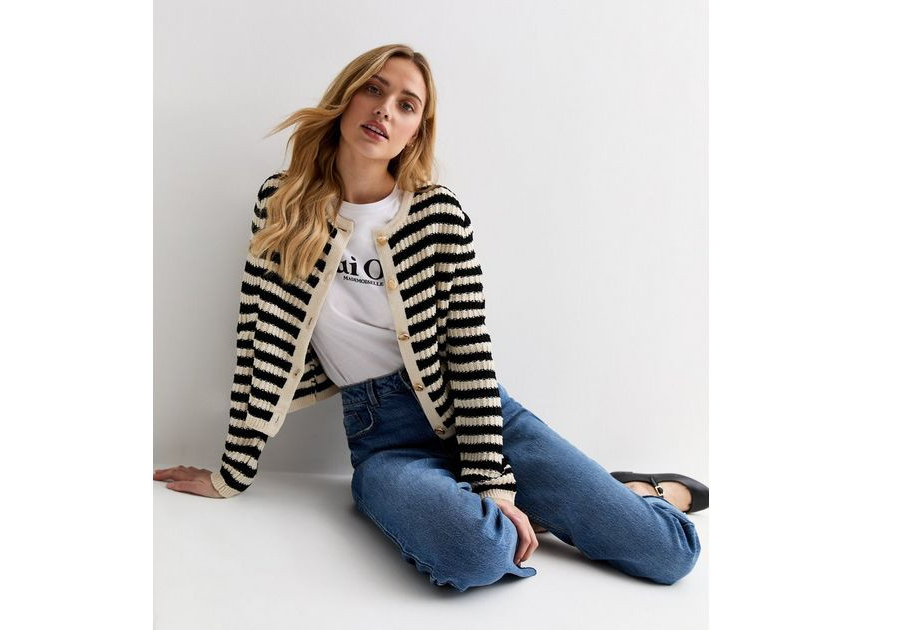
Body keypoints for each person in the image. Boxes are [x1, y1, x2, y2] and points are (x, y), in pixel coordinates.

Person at [154, 44, 706, 591]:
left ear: (415, 131)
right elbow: (258, 341)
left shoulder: (437, 214)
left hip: (481, 418)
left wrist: (492, 482)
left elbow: (469, 349)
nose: (384, 110)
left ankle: (638, 493)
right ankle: (474, 508)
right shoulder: (283, 205)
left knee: (670, 554)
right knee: (476, 553)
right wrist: (232, 473)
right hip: (386, 442)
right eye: (373, 89)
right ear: (346, 98)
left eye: (406, 104)